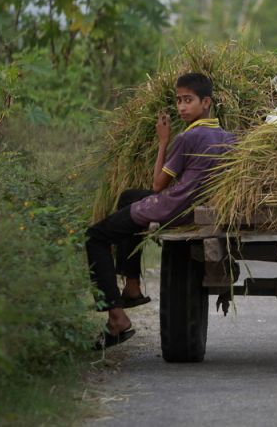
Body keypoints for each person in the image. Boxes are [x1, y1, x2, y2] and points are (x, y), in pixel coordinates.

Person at [85, 72, 234, 349]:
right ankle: (131, 286)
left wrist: (163, 140)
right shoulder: (226, 137)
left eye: (188, 100)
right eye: (178, 101)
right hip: (194, 207)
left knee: (94, 236)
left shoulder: (186, 138)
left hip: (171, 207)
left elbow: (157, 186)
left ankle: (117, 319)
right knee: (129, 197)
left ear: (206, 102)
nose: (181, 107)